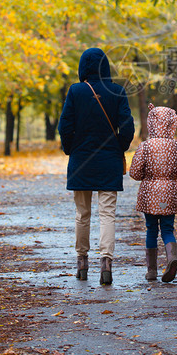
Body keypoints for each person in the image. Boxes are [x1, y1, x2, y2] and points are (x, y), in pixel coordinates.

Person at [59, 47, 135, 285]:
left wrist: (70, 149)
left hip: (82, 162)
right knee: (107, 214)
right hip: (109, 161)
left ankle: (82, 263)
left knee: (82, 214)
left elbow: (64, 126)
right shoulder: (117, 91)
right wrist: (118, 147)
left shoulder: (75, 91)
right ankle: (106, 265)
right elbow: (128, 127)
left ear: (83, 67)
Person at [129, 103, 177, 282]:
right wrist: (174, 177)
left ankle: (151, 271)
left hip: (150, 194)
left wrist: (147, 176)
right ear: (172, 124)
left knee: (151, 230)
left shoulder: (146, 146)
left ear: (151, 124)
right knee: (167, 228)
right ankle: (172, 258)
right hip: (170, 194)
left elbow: (134, 172)